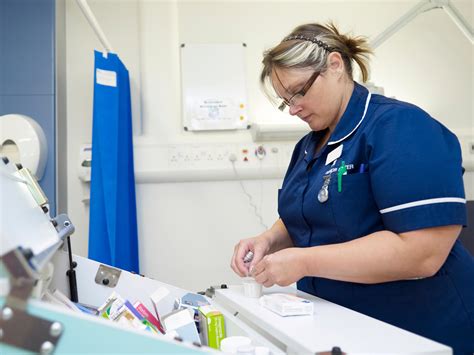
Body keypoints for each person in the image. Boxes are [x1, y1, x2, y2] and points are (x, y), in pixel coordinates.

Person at [231, 22, 474, 354]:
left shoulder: (400, 128)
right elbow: (307, 213)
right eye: (285, 100)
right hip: (344, 326)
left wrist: (303, 262)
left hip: (421, 328)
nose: (294, 108)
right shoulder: (309, 146)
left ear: (334, 65)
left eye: (299, 91)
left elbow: (423, 253)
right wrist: (268, 240)